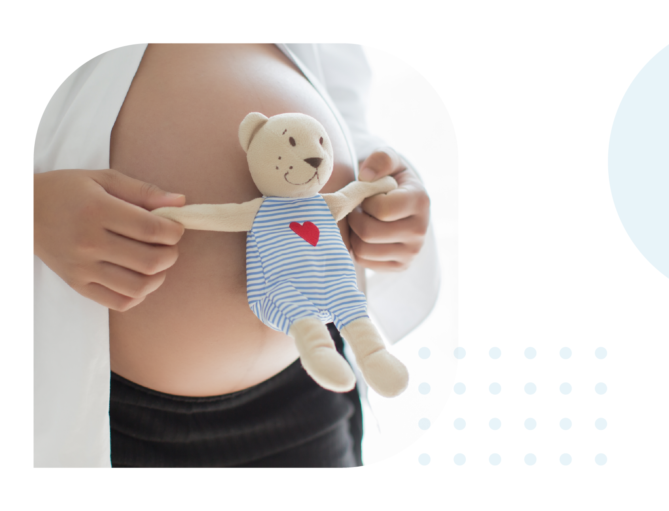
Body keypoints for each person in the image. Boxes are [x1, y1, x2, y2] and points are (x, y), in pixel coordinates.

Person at [33, 44, 441, 467]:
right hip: (115, 414)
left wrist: (385, 186)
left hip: (306, 401)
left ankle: (369, 355)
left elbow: (345, 106)